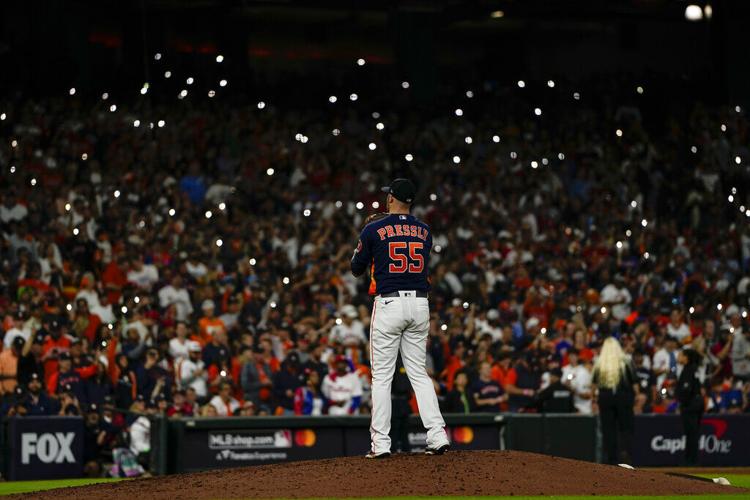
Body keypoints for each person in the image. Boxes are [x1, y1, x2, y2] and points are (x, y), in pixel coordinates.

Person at [351, 178, 449, 458]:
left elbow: (356, 268)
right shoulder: (425, 231)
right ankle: (437, 434)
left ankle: (381, 444)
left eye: (387, 196)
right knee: (418, 373)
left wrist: (367, 235)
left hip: (390, 303)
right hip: (419, 305)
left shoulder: (374, 229)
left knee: (382, 377)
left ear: (392, 198)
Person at [591, 337, 637, 465]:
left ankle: (611, 459)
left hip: (605, 398)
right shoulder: (625, 362)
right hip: (624, 398)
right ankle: (625, 456)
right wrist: (635, 399)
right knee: (625, 428)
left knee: (608, 430)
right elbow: (634, 384)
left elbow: (594, 386)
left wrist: (594, 400)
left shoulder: (600, 363)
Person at [676, 349, 704, 466]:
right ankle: (692, 460)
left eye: (681, 355)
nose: (678, 357)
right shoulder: (694, 368)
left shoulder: (688, 369)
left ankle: (690, 461)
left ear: (686, 357)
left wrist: (682, 402)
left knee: (691, 434)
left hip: (690, 406)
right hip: (697, 404)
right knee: (693, 433)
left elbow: (686, 389)